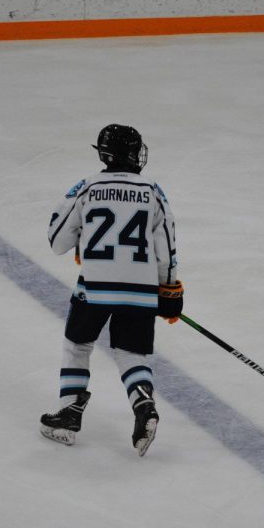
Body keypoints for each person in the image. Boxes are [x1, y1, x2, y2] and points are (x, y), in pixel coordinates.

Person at [40, 124, 182, 456]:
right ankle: (143, 404)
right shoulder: (153, 191)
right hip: (141, 289)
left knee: (77, 346)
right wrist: (170, 290)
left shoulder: (86, 187)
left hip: (95, 287)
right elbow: (167, 248)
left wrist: (83, 238)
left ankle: (68, 412)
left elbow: (57, 240)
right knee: (132, 354)